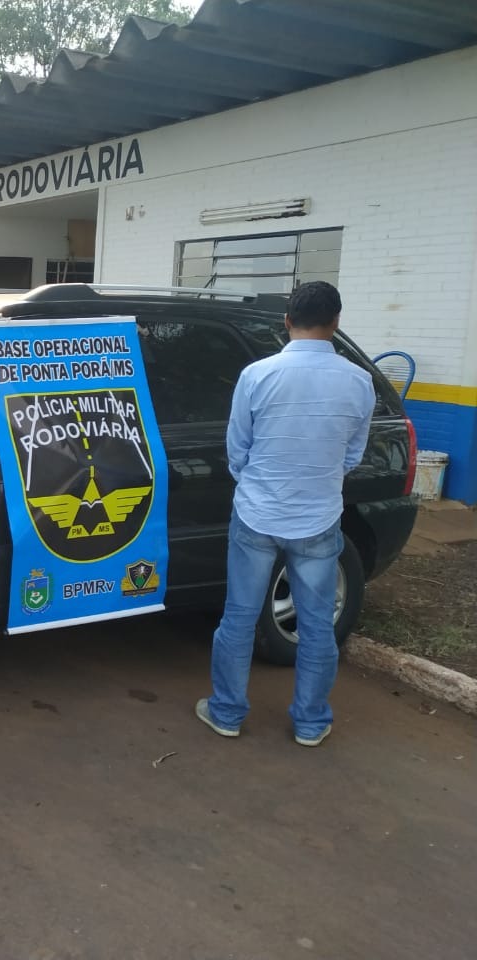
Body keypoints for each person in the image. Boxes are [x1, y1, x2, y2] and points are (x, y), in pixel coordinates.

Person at [196, 281, 375, 746]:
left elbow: (237, 450)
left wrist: (259, 483)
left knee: (238, 616)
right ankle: (311, 722)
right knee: (317, 624)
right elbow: (352, 456)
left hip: (257, 514)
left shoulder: (257, 375)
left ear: (286, 321)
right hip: (318, 519)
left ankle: (227, 713)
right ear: (336, 322)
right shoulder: (359, 381)